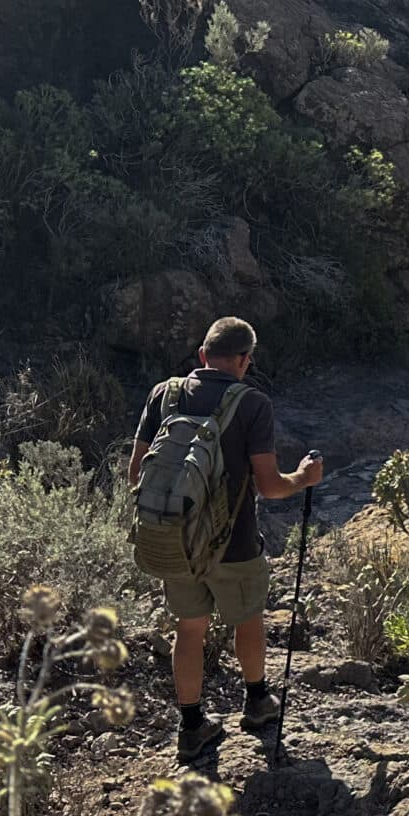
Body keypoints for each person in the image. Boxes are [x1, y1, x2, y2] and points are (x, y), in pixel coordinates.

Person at [128, 316, 322, 774]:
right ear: (243, 360)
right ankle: (257, 702)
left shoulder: (164, 394)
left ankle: (191, 727)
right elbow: (271, 487)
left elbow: (137, 473)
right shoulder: (252, 403)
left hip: (175, 538)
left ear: (201, 356)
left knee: (189, 629)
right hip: (233, 543)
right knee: (247, 619)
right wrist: (306, 477)